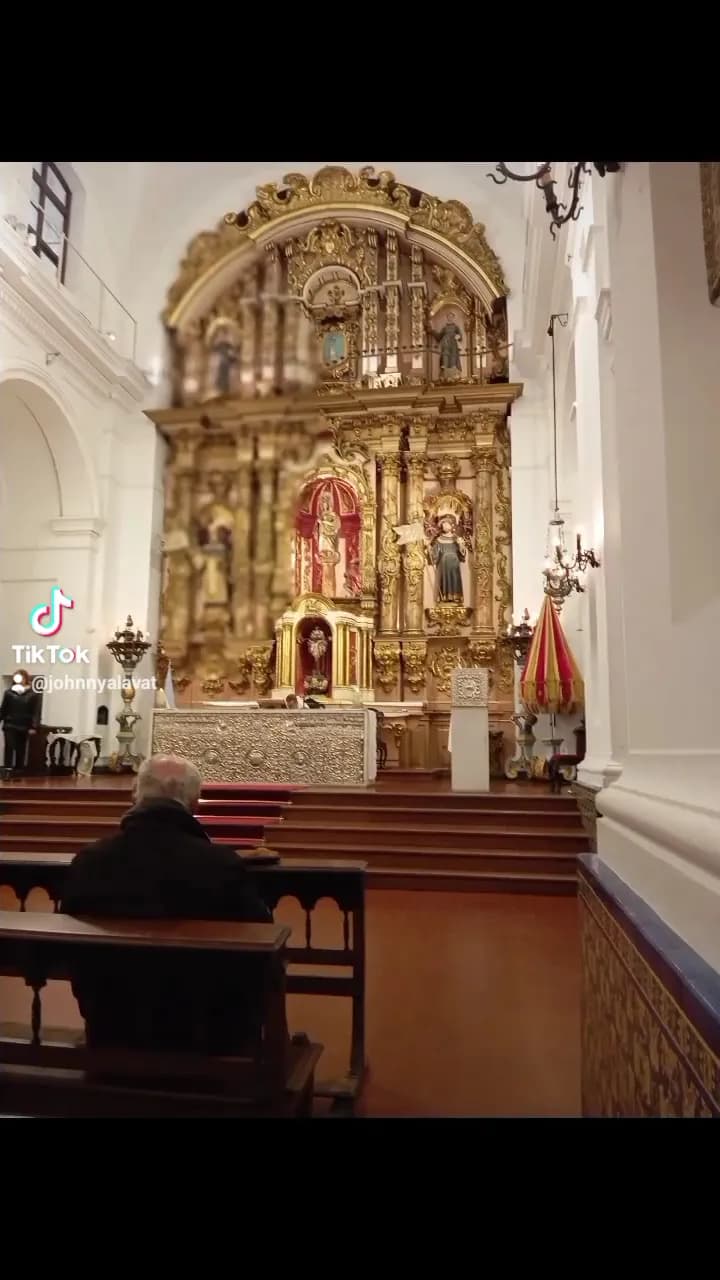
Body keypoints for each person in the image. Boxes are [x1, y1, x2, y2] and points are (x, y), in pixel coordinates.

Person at [59, 754, 272, 1054]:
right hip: (207, 1036)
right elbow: (262, 938)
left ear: (136, 793)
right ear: (195, 802)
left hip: (111, 1026)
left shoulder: (90, 861)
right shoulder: (220, 865)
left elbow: (70, 939)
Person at [0, 669, 40, 774]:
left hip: (24, 725)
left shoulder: (33, 695)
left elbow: (35, 712)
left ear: (26, 679)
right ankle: (7, 769)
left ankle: (19, 769)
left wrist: (33, 726)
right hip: (10, 724)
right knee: (9, 745)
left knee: (20, 748)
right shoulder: (8, 693)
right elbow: (3, 709)